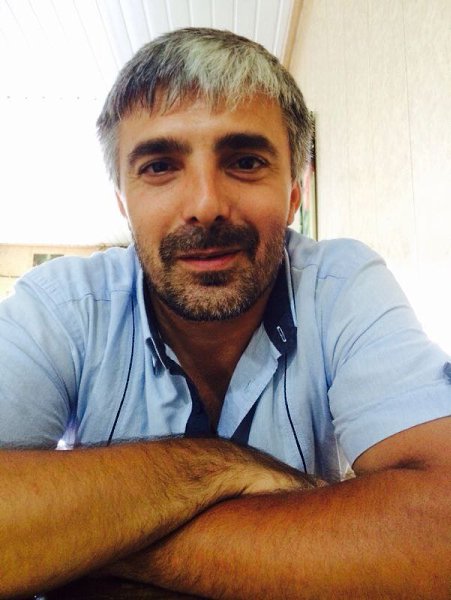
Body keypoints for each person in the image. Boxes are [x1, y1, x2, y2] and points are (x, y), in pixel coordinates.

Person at [0, 27, 450, 600]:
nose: (206, 205)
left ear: (294, 192)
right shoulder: (62, 307)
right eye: (159, 166)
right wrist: (219, 468)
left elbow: (439, 527)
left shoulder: (340, 286)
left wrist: (80, 534)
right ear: (123, 202)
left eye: (244, 161)